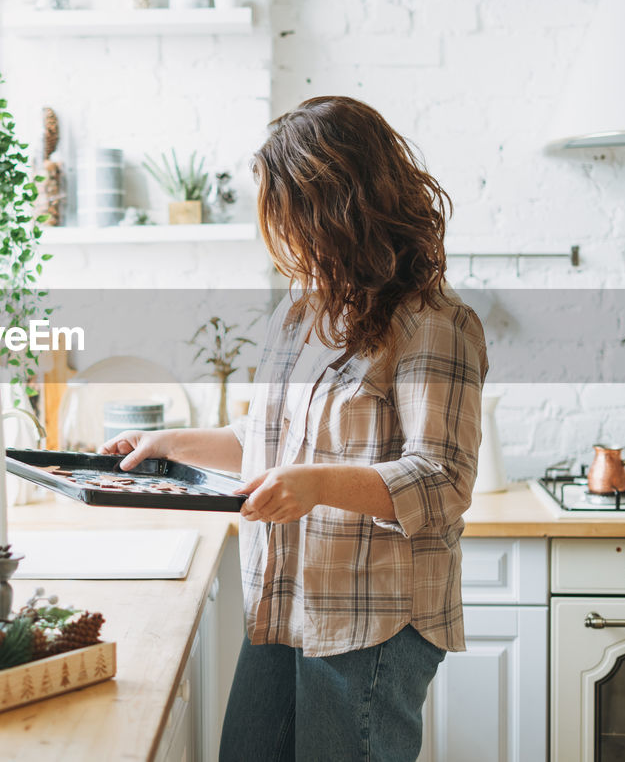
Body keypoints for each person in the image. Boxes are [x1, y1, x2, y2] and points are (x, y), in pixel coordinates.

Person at [101, 96, 488, 762]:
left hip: (373, 623)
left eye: (289, 218)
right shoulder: (300, 314)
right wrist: (169, 444)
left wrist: (314, 484)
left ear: (340, 212)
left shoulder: (434, 324)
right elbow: (269, 441)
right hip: (284, 601)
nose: (282, 241)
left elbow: (441, 482)